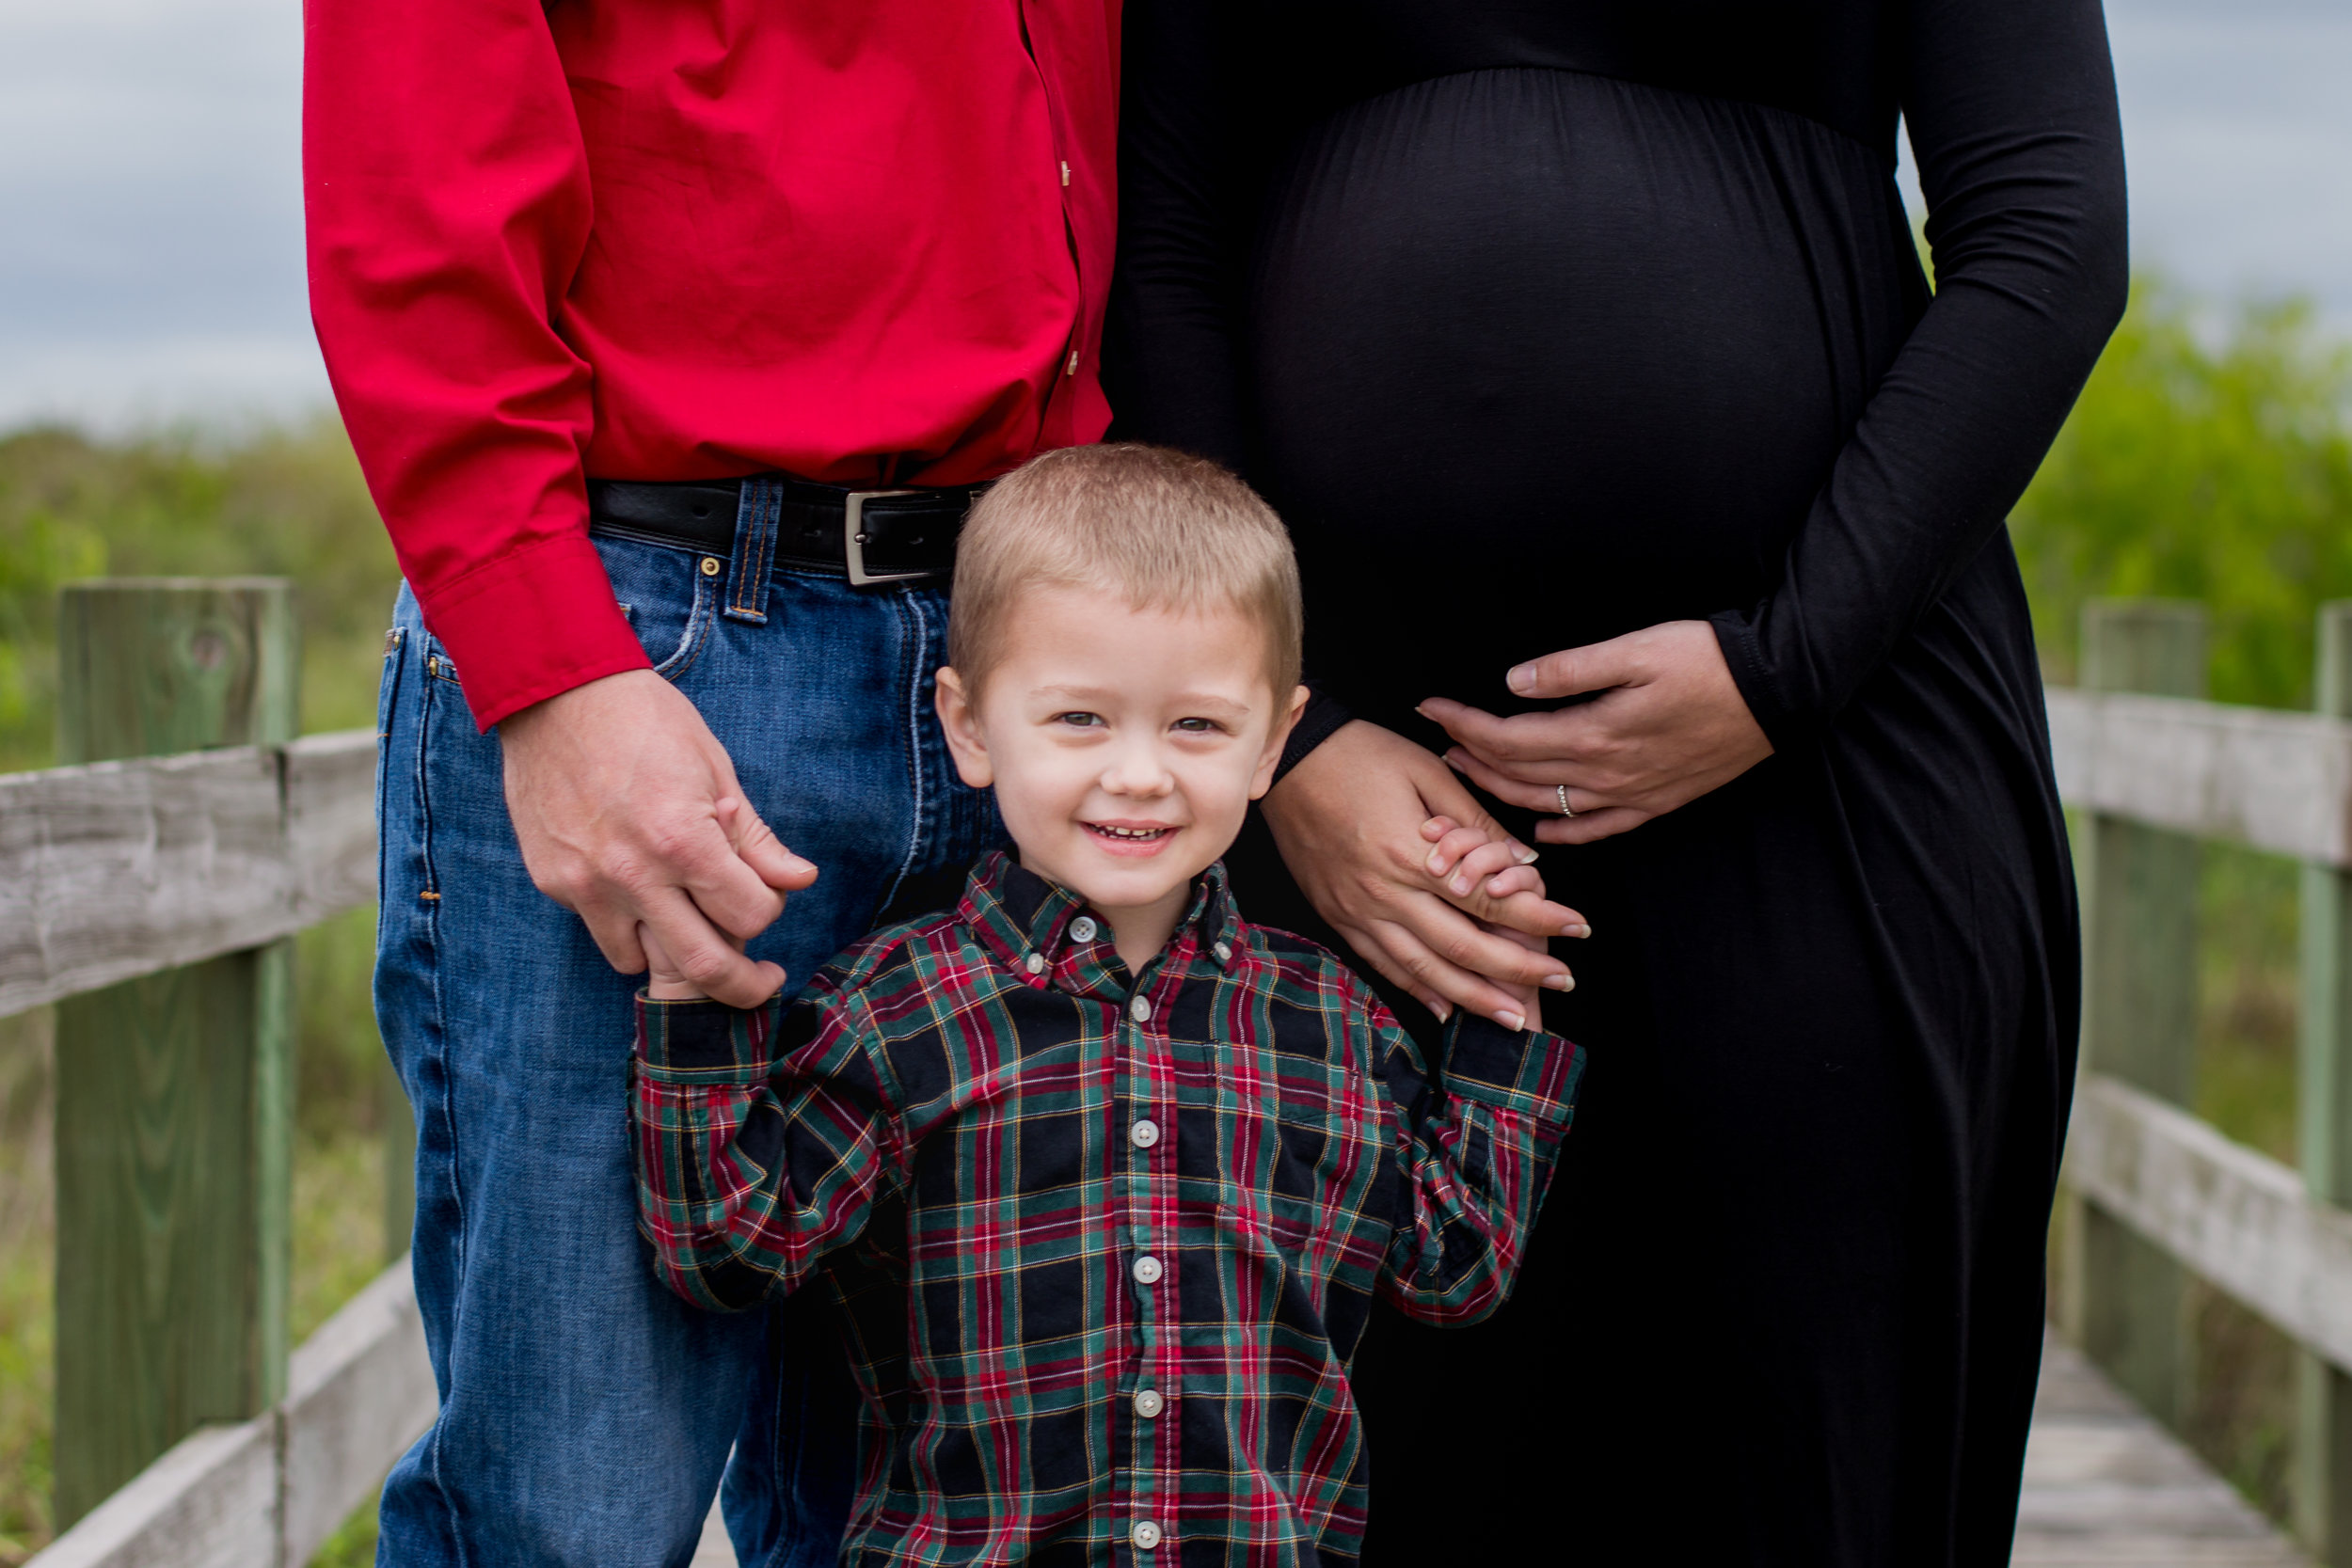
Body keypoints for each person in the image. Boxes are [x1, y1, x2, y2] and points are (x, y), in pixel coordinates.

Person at [1107, 1, 2126, 1562]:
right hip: (1347, 808)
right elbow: (1158, 251)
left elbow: (2049, 233)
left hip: (1835, 753)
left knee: (1815, 1461)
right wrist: (1279, 731)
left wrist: (1786, 662)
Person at [303, 5, 1120, 1561]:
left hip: (1024, 630)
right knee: (572, 1506)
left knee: (945, 1515)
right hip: (659, 627)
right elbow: (414, 137)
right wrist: (550, 660)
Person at [630, 444, 1586, 1565]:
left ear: (1273, 741)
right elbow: (732, 1249)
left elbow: (1452, 1267)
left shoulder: (1333, 1022)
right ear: (972, 726)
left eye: (1194, 726)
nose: (1138, 773)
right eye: (1080, 719)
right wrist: (695, 1000)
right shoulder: (892, 1013)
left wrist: (1503, 1006)